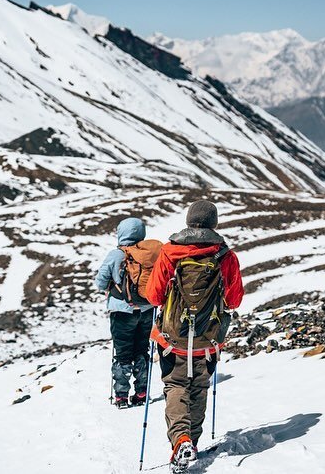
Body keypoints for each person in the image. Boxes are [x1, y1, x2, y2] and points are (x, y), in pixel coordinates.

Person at [146, 200, 244, 472]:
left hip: (172, 338)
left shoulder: (169, 252)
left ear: (189, 221)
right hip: (208, 339)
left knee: (175, 386)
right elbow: (234, 300)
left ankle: (181, 442)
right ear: (214, 222)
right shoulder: (225, 255)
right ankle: (193, 445)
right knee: (199, 388)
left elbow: (153, 295)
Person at [94, 217, 160, 409]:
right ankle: (141, 393)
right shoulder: (150, 254)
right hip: (147, 310)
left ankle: (121, 397)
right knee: (142, 351)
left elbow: (100, 283)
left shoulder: (116, 255)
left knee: (122, 354)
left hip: (122, 312)